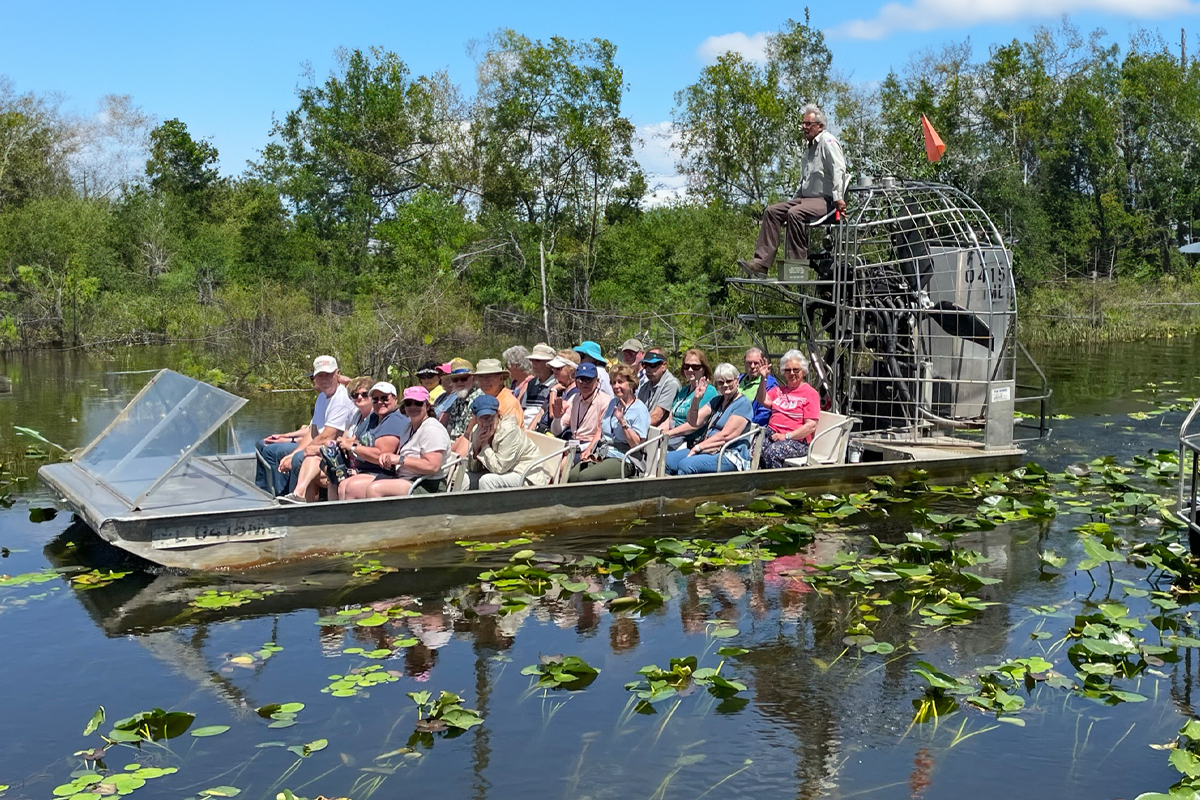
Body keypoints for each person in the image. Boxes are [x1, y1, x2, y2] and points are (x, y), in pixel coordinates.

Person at [738, 104, 847, 276]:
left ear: (820, 126)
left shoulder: (828, 142)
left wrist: (839, 198)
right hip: (806, 200)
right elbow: (804, 181)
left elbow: (839, 169)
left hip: (826, 202)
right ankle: (760, 265)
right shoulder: (809, 148)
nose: (804, 127)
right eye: (803, 123)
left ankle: (796, 268)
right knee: (772, 212)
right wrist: (792, 201)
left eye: (808, 124)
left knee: (795, 213)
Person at [255, 355, 356, 496]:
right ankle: (271, 495)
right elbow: (312, 433)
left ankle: (294, 498)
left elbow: (327, 436)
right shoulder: (322, 397)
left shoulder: (341, 398)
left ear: (337, 374)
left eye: (328, 374)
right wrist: (294, 451)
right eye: (320, 375)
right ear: (315, 377)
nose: (324, 379)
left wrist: (296, 454)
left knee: (298, 459)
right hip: (320, 445)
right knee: (267, 449)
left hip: (334, 449)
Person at [284, 375, 374, 502]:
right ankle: (299, 497)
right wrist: (326, 446)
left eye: (364, 394)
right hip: (346, 461)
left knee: (312, 461)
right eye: (355, 395)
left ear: (372, 396)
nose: (359, 397)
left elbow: (355, 443)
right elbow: (342, 441)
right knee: (311, 460)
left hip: (359, 466)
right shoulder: (355, 417)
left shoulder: (374, 418)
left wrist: (320, 448)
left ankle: (313, 503)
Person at [665, 362, 754, 475]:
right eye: (721, 382)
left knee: (686, 465)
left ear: (737, 381)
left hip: (729, 454)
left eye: (729, 381)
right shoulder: (717, 401)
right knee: (667, 460)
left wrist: (699, 447)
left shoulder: (743, 404)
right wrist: (696, 399)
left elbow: (726, 436)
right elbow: (693, 422)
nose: (725, 385)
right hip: (708, 450)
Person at [568, 364, 650, 482]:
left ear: (631, 383)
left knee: (585, 477)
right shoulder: (613, 403)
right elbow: (600, 430)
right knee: (573, 475)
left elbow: (637, 445)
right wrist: (589, 449)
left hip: (624, 458)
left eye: (620, 382)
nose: (616, 386)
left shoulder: (639, 409)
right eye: (613, 383)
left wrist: (622, 422)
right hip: (603, 453)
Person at [334, 382, 413, 500]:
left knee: (351, 487)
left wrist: (353, 447)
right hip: (364, 469)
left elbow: (380, 456)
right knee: (341, 484)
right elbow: (356, 439)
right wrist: (343, 443)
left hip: (385, 473)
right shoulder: (373, 417)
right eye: (375, 399)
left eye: (384, 398)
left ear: (395, 399)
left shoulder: (395, 420)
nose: (380, 402)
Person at [371, 387, 452, 496]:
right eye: (408, 403)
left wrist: (400, 459)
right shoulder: (408, 427)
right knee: (353, 487)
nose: (413, 407)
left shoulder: (432, 429)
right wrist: (389, 458)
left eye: (418, 403)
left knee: (375, 489)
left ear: (427, 406)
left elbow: (432, 466)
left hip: (426, 484)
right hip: (405, 478)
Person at [464, 394, 552, 489]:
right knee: (465, 478)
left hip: (526, 474)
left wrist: (484, 445)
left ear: (497, 414)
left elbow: (499, 468)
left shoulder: (509, 430)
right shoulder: (476, 431)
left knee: (487, 481)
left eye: (489, 417)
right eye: (482, 418)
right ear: (476, 419)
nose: (485, 423)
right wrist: (476, 448)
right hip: (504, 472)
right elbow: (473, 469)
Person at [756, 349, 821, 469]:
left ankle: (775, 480)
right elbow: (762, 399)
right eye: (788, 370)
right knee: (754, 447)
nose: (792, 373)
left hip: (797, 440)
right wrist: (763, 378)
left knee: (772, 452)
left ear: (803, 371)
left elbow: (811, 425)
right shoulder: (779, 390)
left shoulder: (810, 393)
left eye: (796, 370)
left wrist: (786, 436)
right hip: (772, 433)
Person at [551, 362, 612, 460]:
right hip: (573, 443)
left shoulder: (605, 401)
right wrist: (557, 418)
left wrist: (582, 448)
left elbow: (602, 435)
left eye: (589, 379)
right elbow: (556, 431)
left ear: (597, 381)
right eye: (581, 379)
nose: (584, 383)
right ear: (575, 382)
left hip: (591, 447)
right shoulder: (574, 398)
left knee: (563, 464)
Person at [661, 348, 717, 449]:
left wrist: (668, 434)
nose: (690, 370)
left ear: (703, 369)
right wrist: (656, 432)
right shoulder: (683, 391)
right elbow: (671, 418)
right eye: (686, 366)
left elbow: (694, 425)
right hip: (671, 438)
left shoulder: (709, 391)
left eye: (695, 367)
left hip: (689, 442)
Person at [437, 359, 482, 440]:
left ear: (473, 378)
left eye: (463, 378)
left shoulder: (480, 399)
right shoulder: (457, 401)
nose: (459, 383)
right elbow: (450, 428)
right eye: (455, 379)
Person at [636, 348, 680, 427]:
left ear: (664, 366)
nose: (647, 369)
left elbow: (656, 417)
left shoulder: (671, 384)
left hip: (661, 431)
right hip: (644, 428)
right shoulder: (644, 386)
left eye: (652, 365)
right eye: (645, 364)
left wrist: (634, 427)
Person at [524, 343, 559, 432]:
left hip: (540, 430)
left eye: (538, 361)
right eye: (532, 360)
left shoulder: (556, 385)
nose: (534, 364)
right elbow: (522, 408)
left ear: (549, 364)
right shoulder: (531, 383)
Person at [738, 347, 778, 426]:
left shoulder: (769, 384)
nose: (752, 366)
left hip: (751, 426)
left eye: (756, 363)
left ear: (762, 363)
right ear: (744, 363)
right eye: (749, 363)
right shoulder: (739, 379)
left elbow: (765, 413)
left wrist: (745, 424)